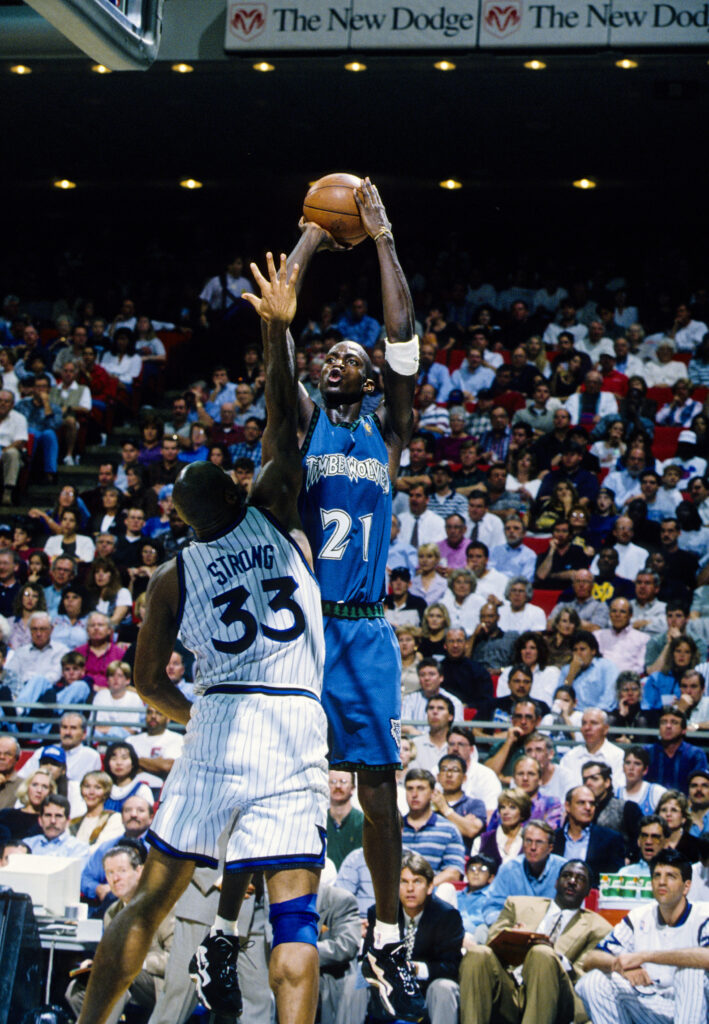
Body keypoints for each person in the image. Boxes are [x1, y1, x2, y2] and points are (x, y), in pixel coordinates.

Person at [74, 252, 335, 1024]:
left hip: (218, 719)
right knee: (294, 916)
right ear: (235, 488)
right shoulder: (275, 507)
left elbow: (148, 681)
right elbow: (284, 418)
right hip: (292, 717)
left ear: (184, 520)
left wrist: (193, 717)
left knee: (151, 898)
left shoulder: (171, 576)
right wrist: (276, 331)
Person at [283, 187, 429, 1020]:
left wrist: (380, 237)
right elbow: (282, 336)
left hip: (366, 632)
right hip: (305, 631)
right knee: (291, 788)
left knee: (378, 788)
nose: (331, 359)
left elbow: (402, 334)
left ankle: (386, 933)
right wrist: (308, 237)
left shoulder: (389, 429)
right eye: (325, 355)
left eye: (347, 355)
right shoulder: (305, 423)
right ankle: (245, 928)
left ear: (370, 377)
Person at [460, 860, 611, 1024]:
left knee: (542, 953)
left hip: (558, 997)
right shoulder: (518, 906)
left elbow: (585, 977)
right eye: (566, 876)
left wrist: (558, 959)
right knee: (478, 954)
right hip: (510, 986)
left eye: (580, 879)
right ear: (556, 882)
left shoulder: (598, 928)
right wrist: (512, 941)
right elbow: (491, 947)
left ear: (589, 891)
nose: (572, 882)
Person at [576, 848, 709, 1024]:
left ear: (686, 887)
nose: (662, 882)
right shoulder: (639, 916)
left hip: (694, 1009)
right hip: (653, 1003)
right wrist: (622, 966)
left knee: (690, 972)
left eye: (670, 876)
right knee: (593, 981)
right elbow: (591, 959)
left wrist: (645, 956)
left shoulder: (703, 915)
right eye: (656, 875)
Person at [68, 844, 174, 1024]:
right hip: (124, 979)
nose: (115, 878)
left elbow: (177, 960)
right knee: (77, 988)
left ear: (140, 871)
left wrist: (139, 961)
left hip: (160, 984)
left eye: (122, 871)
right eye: (109, 873)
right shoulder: (111, 913)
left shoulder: (163, 907)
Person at [482, 820, 566, 925]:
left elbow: (572, 912)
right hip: (513, 931)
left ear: (550, 848)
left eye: (539, 842)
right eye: (528, 841)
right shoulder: (508, 870)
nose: (533, 847)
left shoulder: (564, 870)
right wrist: (508, 924)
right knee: (482, 932)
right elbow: (491, 908)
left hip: (552, 930)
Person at [551, 785, 624, 885]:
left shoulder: (611, 839)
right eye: (581, 803)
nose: (588, 808)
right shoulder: (554, 838)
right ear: (567, 806)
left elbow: (613, 880)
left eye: (592, 803)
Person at [645, 707, 709, 792]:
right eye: (664, 722)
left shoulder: (695, 754)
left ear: (684, 730)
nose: (668, 726)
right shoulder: (647, 752)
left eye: (674, 723)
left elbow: (700, 787)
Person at [69, 771, 124, 848]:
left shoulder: (114, 818)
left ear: (106, 792)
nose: (91, 792)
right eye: (87, 786)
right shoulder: (73, 823)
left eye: (98, 787)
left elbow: (102, 849)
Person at [0, 768, 55, 840]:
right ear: (27, 787)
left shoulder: (51, 821)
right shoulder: (6, 815)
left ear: (50, 792)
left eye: (44, 787)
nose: (39, 790)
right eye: (35, 785)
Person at [326, 769, 364, 871]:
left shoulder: (361, 822)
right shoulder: (320, 820)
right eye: (333, 782)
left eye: (343, 782)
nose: (337, 786)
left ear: (352, 788)